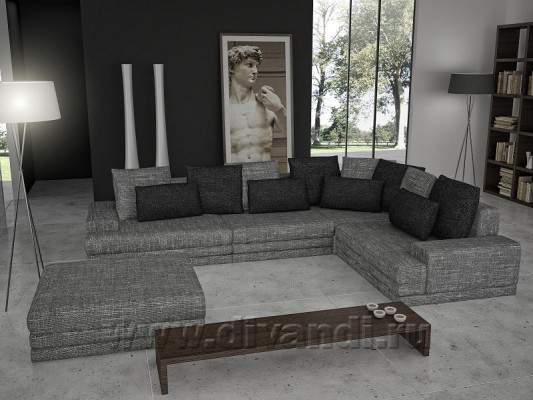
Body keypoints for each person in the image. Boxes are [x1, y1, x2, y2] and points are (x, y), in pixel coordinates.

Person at [227, 45, 286, 162]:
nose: (255, 71)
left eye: (256, 66)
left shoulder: (268, 103)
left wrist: (279, 108)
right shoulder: (224, 108)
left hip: (266, 172)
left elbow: (294, 135)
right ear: (232, 68)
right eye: (249, 65)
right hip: (235, 172)